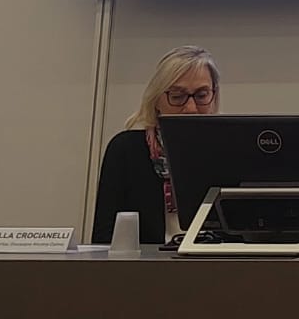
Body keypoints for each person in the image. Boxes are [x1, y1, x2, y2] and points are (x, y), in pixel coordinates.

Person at [91, 45, 220, 244]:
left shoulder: (229, 153)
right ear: (157, 100)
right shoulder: (125, 150)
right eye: (177, 96)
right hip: (148, 263)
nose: (191, 108)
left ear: (214, 97)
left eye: (202, 96)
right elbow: (104, 239)